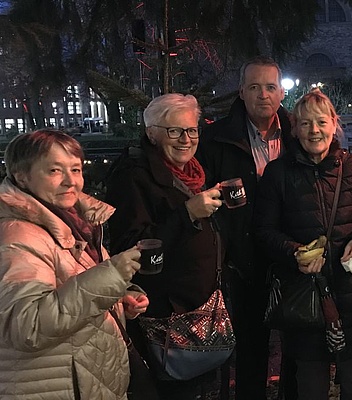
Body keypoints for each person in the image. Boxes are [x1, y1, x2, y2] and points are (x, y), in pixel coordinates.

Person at [254, 89, 352, 400]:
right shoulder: (278, 173)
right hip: (305, 298)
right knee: (310, 385)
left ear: (334, 125)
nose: (315, 131)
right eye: (306, 123)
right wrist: (293, 253)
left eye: (322, 122)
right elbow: (263, 230)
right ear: (295, 129)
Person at [0, 129, 147, 399]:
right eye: (55, 171)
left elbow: (75, 288)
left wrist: (119, 297)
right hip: (55, 385)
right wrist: (110, 277)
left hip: (83, 378)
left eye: (76, 169)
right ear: (22, 176)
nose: (71, 181)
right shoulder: (18, 236)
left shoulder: (73, 222)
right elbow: (27, 325)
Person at [105, 94, 226, 399]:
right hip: (164, 319)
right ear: (151, 133)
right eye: (174, 131)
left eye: (192, 130)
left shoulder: (193, 172)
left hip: (200, 310)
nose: (186, 139)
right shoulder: (133, 176)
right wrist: (186, 214)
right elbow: (129, 248)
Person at [196, 55, 291, 400]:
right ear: (241, 92)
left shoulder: (297, 132)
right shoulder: (217, 138)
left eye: (269, 87)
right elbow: (200, 196)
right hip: (243, 260)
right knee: (250, 349)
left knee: (295, 346)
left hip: (291, 255)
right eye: (254, 87)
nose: (263, 95)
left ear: (281, 92)